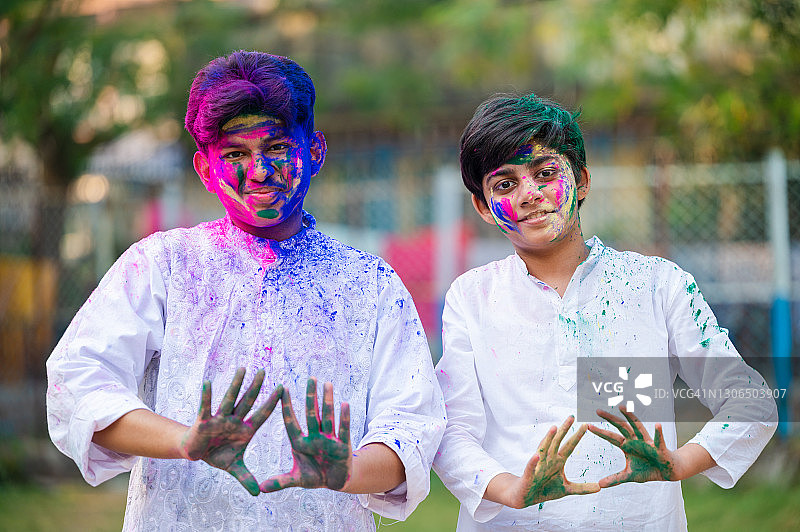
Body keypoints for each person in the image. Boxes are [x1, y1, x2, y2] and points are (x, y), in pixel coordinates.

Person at [46, 50, 445, 531]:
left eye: (277, 147)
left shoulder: (370, 285)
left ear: (315, 151)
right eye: (235, 153)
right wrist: (186, 441)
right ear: (205, 168)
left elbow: (412, 428)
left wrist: (343, 473)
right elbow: (77, 382)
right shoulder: (163, 266)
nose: (258, 170)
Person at [432, 93, 778, 530]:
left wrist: (679, 463)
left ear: (583, 180)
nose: (530, 194)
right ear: (483, 206)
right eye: (505, 184)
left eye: (545, 173)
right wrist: (510, 489)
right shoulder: (471, 297)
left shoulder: (657, 285)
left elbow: (750, 402)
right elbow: (451, 429)